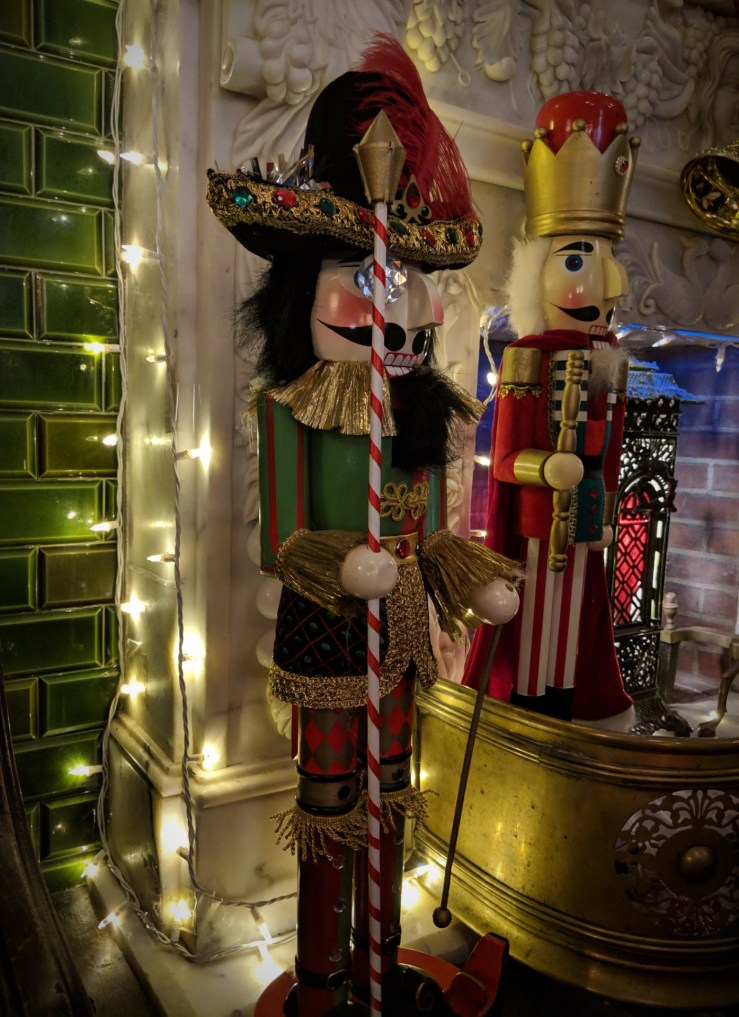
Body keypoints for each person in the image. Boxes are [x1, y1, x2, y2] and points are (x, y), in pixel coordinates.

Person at [207, 36, 520, 1017]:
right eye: (373, 271)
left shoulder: (417, 413)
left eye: (415, 276)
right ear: (304, 286)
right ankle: (321, 980)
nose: (408, 302)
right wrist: (343, 566)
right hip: (328, 634)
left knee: (394, 796)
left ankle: (381, 956)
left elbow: (429, 530)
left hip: (403, 642)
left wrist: (470, 576)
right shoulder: (292, 410)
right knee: (331, 800)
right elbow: (284, 538)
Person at [464, 91, 639, 730]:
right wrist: (549, 468)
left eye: (607, 257)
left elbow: (611, 454)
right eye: (576, 258)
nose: (606, 281)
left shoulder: (609, 359)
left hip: (586, 530)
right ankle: (531, 713)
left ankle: (570, 712)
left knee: (576, 633)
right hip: (536, 533)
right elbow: (504, 459)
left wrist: (604, 507)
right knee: (534, 637)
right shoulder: (526, 359)